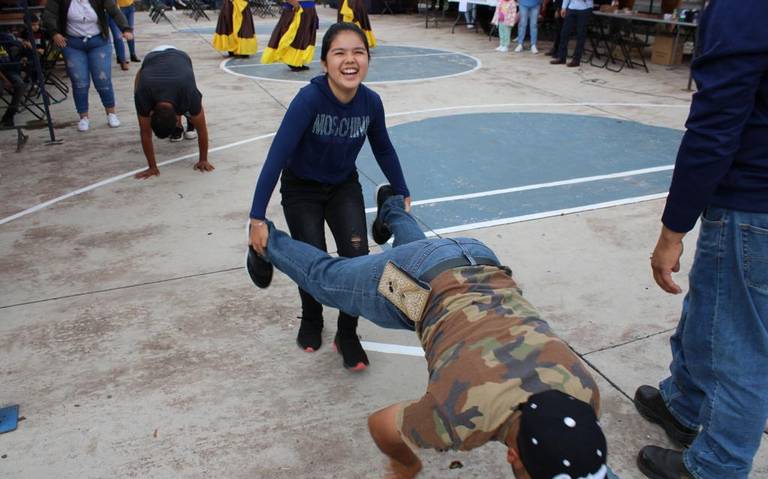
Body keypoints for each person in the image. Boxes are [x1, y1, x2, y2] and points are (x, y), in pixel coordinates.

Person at [247, 185, 609, 479]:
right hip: (417, 291)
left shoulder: (584, 393)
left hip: (476, 256)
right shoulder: (458, 420)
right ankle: (266, 240)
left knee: (419, 253)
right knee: (327, 279)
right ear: (513, 455)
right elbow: (383, 425)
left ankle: (391, 207)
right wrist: (407, 464)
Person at [638, 2, 768, 479]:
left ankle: (717, 465)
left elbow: (715, 128)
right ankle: (685, 403)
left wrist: (673, 230)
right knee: (710, 309)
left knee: (739, 346)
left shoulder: (744, 9)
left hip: (753, 203)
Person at [248, 23, 411, 371]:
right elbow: (276, 156)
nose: (350, 60)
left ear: (367, 59)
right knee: (312, 258)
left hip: (342, 186)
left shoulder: (370, 102)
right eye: (340, 52)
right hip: (301, 189)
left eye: (358, 52)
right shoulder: (309, 100)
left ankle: (347, 333)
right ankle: (312, 318)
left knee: (355, 257)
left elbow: (383, 147)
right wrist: (256, 217)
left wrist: (402, 189)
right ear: (324, 63)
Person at [43, 0, 133, 132]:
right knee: (79, 81)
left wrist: (125, 28)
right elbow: (49, 14)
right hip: (72, 44)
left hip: (98, 42)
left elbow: (114, 11)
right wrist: (54, 33)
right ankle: (83, 117)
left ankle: (111, 114)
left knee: (102, 79)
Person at [133, 46, 212, 179]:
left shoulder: (188, 93)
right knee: (143, 101)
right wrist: (152, 167)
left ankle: (187, 121)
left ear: (177, 118)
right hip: (151, 59)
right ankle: (181, 126)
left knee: (193, 113)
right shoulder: (143, 94)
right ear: (151, 112)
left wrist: (203, 159)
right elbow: (145, 132)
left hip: (180, 56)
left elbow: (202, 129)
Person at [261, 0, 317, 71]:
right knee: (295, 36)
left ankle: (296, 61)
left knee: (304, 37)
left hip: (307, 9)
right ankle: (292, 61)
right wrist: (295, 5)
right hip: (298, 9)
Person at [550, 0, 592, 67]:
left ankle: (576, 60)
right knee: (564, 32)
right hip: (571, 7)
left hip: (585, 8)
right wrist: (563, 7)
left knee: (581, 35)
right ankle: (561, 57)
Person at [108, 0, 139, 71]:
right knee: (118, 36)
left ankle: (132, 54)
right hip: (115, 9)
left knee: (129, 31)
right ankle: (122, 60)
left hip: (129, 6)